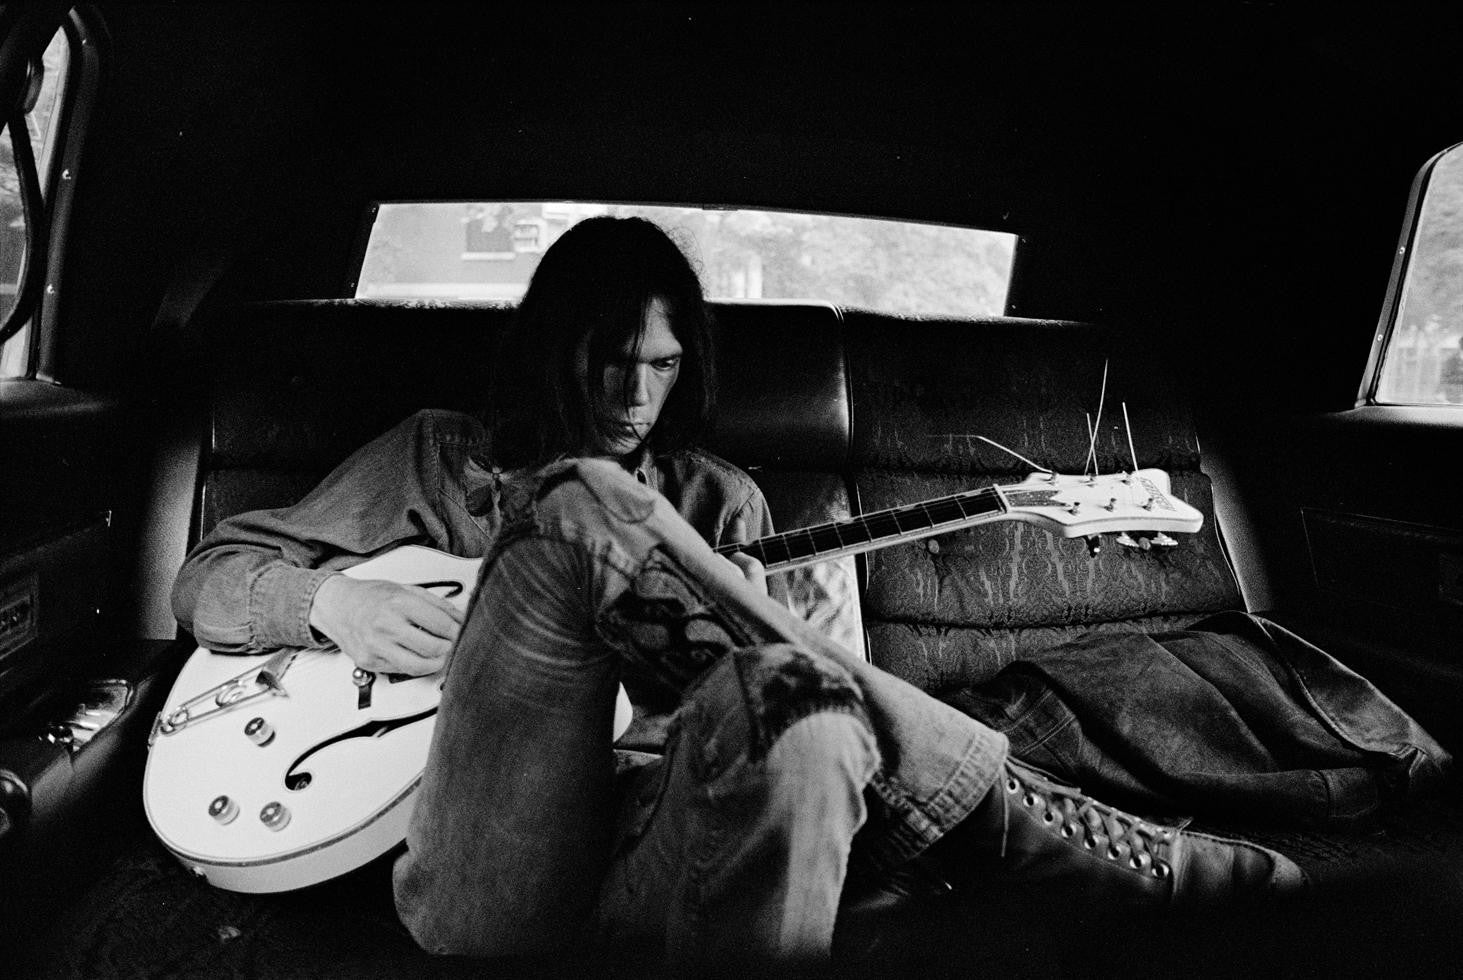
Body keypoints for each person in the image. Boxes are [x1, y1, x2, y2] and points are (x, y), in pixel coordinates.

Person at [171, 216, 1304, 972]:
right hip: (487, 869)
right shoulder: (435, 456)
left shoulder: (723, 501)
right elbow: (205, 581)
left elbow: (762, 719)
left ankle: (992, 807)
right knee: (581, 499)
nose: (633, 392)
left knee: (802, 711)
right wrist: (332, 607)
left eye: (660, 366)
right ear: (548, 351)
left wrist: (750, 660)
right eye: (608, 358)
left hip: (663, 855)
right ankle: (1021, 813)